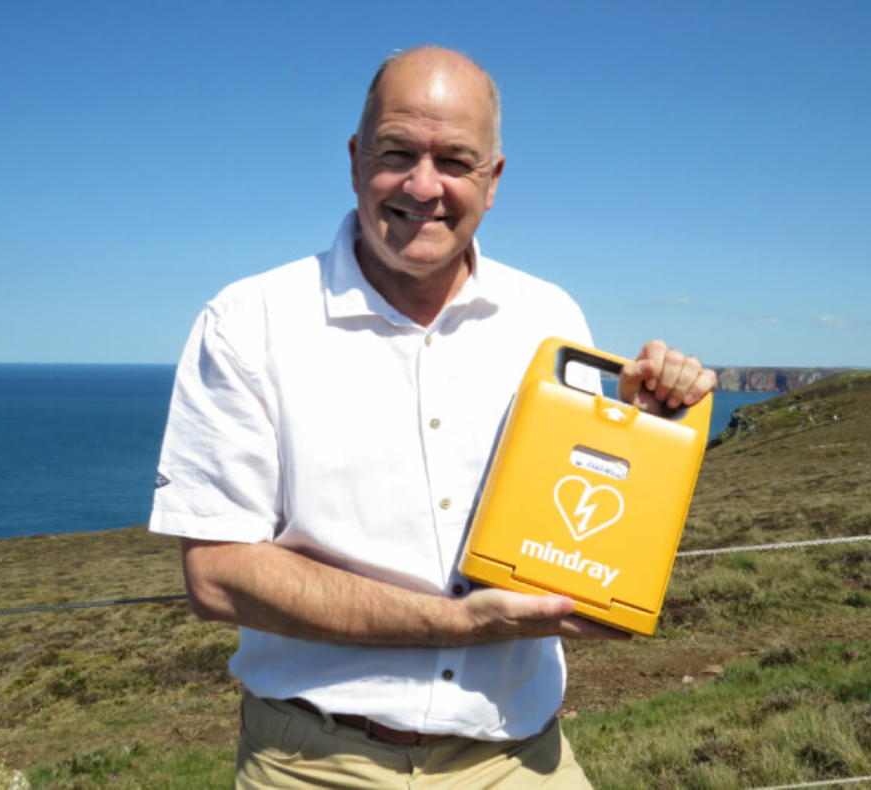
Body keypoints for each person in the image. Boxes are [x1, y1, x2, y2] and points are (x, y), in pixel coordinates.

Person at [150, 46, 716, 788]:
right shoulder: (247, 322)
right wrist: (461, 624)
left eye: (455, 159)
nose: (425, 185)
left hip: (521, 760)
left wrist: (648, 431)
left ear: (495, 179)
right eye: (397, 153)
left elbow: (583, 534)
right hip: (315, 764)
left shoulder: (550, 317)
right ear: (356, 159)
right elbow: (218, 576)